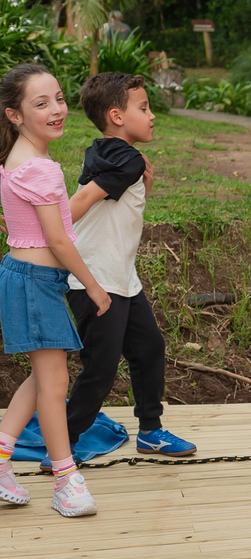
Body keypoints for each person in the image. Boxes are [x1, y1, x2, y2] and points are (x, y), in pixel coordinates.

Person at [48, 72, 196, 471]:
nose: (151, 116)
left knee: (148, 349)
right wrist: (48, 233)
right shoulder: (127, 158)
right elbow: (82, 199)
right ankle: (63, 445)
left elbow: (110, 202)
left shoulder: (106, 151)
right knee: (100, 366)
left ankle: (150, 431)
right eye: (143, 108)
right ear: (116, 115)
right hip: (96, 280)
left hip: (122, 278)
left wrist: (142, 185)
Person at [0, 64, 112, 517]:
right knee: (54, 383)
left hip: (26, 278)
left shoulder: (19, 160)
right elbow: (58, 239)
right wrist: (94, 286)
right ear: (15, 115)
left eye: (59, 99)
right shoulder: (39, 169)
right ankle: (66, 479)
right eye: (41, 103)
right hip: (35, 283)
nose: (57, 110)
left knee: (42, 377)